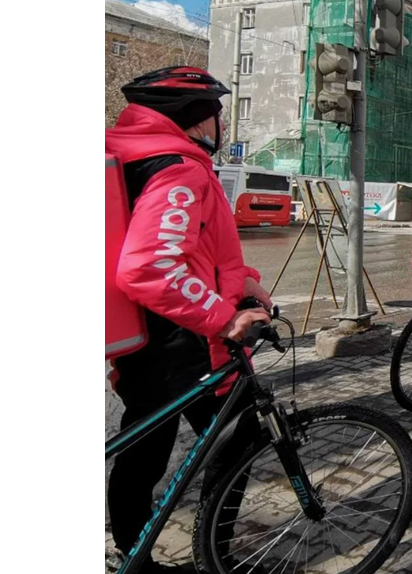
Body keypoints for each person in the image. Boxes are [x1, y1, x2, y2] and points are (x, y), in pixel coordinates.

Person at [105, 67, 272, 573]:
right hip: (187, 339)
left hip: (143, 337)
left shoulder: (134, 153)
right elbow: (149, 265)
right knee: (240, 438)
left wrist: (244, 280)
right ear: (199, 118)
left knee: (144, 447)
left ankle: (132, 555)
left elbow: (198, 247)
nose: (222, 125)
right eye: (219, 114)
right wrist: (225, 318)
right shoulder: (180, 167)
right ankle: (216, 558)